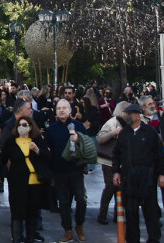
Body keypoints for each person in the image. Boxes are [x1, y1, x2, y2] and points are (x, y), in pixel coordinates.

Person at [112, 102, 164, 243]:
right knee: (131, 211)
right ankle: (133, 239)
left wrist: (161, 174)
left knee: (151, 211)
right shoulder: (124, 133)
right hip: (129, 176)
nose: (128, 116)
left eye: (130, 114)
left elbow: (160, 154)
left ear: (137, 115)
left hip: (147, 176)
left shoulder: (150, 132)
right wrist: (116, 172)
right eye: (127, 114)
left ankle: (154, 238)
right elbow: (116, 154)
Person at [2, 117, 49, 243]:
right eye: (19, 125)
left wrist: (37, 150)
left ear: (31, 126)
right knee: (17, 212)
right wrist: (5, 173)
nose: (22, 127)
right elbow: (2, 158)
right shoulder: (11, 142)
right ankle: (16, 239)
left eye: (25, 124)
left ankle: (30, 238)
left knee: (32, 212)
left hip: (34, 182)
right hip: (17, 182)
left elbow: (47, 157)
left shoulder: (37, 140)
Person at [49, 98, 89, 242]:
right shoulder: (52, 128)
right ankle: (68, 230)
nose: (61, 110)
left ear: (70, 110)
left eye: (64, 108)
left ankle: (79, 225)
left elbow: (88, 145)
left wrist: (78, 140)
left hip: (76, 170)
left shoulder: (78, 126)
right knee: (64, 203)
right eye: (59, 108)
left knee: (81, 199)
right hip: (59, 171)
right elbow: (49, 151)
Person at [96, 100, 129, 225]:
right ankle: (102, 214)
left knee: (120, 188)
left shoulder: (127, 123)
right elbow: (100, 138)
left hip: (120, 161)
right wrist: (113, 133)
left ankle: (118, 213)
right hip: (108, 160)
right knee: (110, 186)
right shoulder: (112, 122)